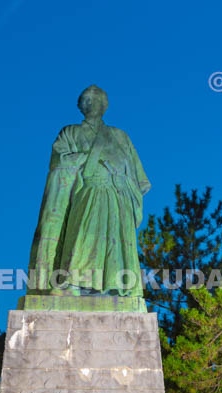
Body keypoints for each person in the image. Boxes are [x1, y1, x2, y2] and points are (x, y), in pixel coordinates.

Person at [27, 85, 150, 297]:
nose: (92, 104)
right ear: (80, 106)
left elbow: (138, 178)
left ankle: (117, 285)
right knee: (82, 236)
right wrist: (88, 160)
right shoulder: (70, 132)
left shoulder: (120, 136)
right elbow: (59, 161)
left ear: (105, 106)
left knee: (114, 243)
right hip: (87, 191)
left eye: (97, 100)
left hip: (116, 195)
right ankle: (73, 282)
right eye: (87, 100)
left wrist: (119, 178)